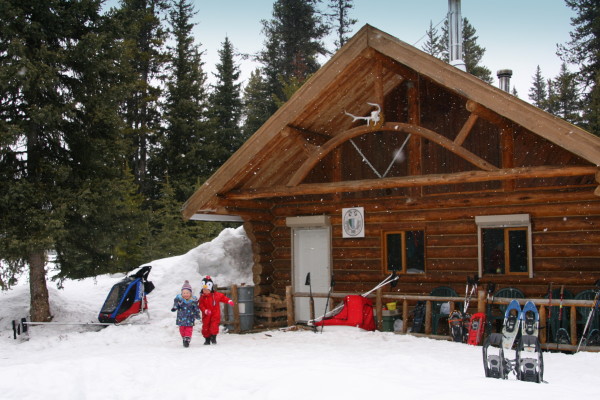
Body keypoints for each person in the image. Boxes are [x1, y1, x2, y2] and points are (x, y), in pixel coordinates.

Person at [198, 275, 234, 345]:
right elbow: (200, 305)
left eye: (207, 290)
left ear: (210, 289)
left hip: (215, 314)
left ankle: (213, 337)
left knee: (214, 327)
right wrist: (205, 310)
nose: (205, 291)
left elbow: (223, 298)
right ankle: (207, 339)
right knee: (206, 327)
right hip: (206, 315)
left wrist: (229, 301)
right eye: (204, 290)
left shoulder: (216, 295)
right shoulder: (202, 297)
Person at [171, 280, 201, 347]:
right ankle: (184, 338)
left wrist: (197, 315)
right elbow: (176, 305)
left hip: (190, 318)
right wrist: (174, 308)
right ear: (182, 294)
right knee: (182, 330)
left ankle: (187, 339)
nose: (186, 294)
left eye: (187, 293)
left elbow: (196, 308)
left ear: (190, 293)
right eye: (184, 293)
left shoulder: (193, 301)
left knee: (189, 329)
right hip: (181, 318)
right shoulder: (180, 300)